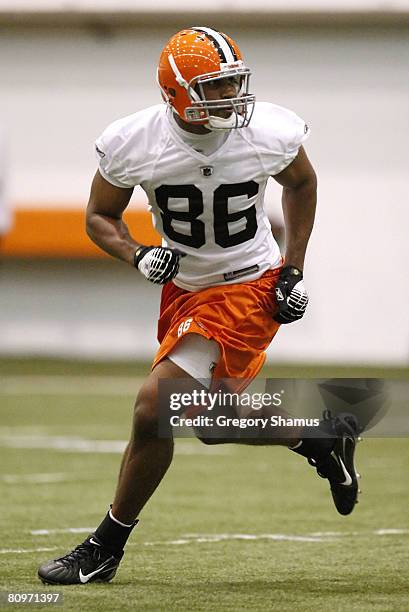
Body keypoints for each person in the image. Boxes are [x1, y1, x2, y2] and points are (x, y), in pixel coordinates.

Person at [38, 26, 360, 585]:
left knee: (152, 409)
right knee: (210, 421)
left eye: (235, 81)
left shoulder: (267, 130)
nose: (233, 96)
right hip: (184, 287)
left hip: (247, 281)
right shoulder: (134, 140)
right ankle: (323, 436)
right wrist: (137, 254)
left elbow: (302, 183)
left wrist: (293, 268)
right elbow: (98, 216)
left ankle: (105, 546)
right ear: (177, 93)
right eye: (216, 87)